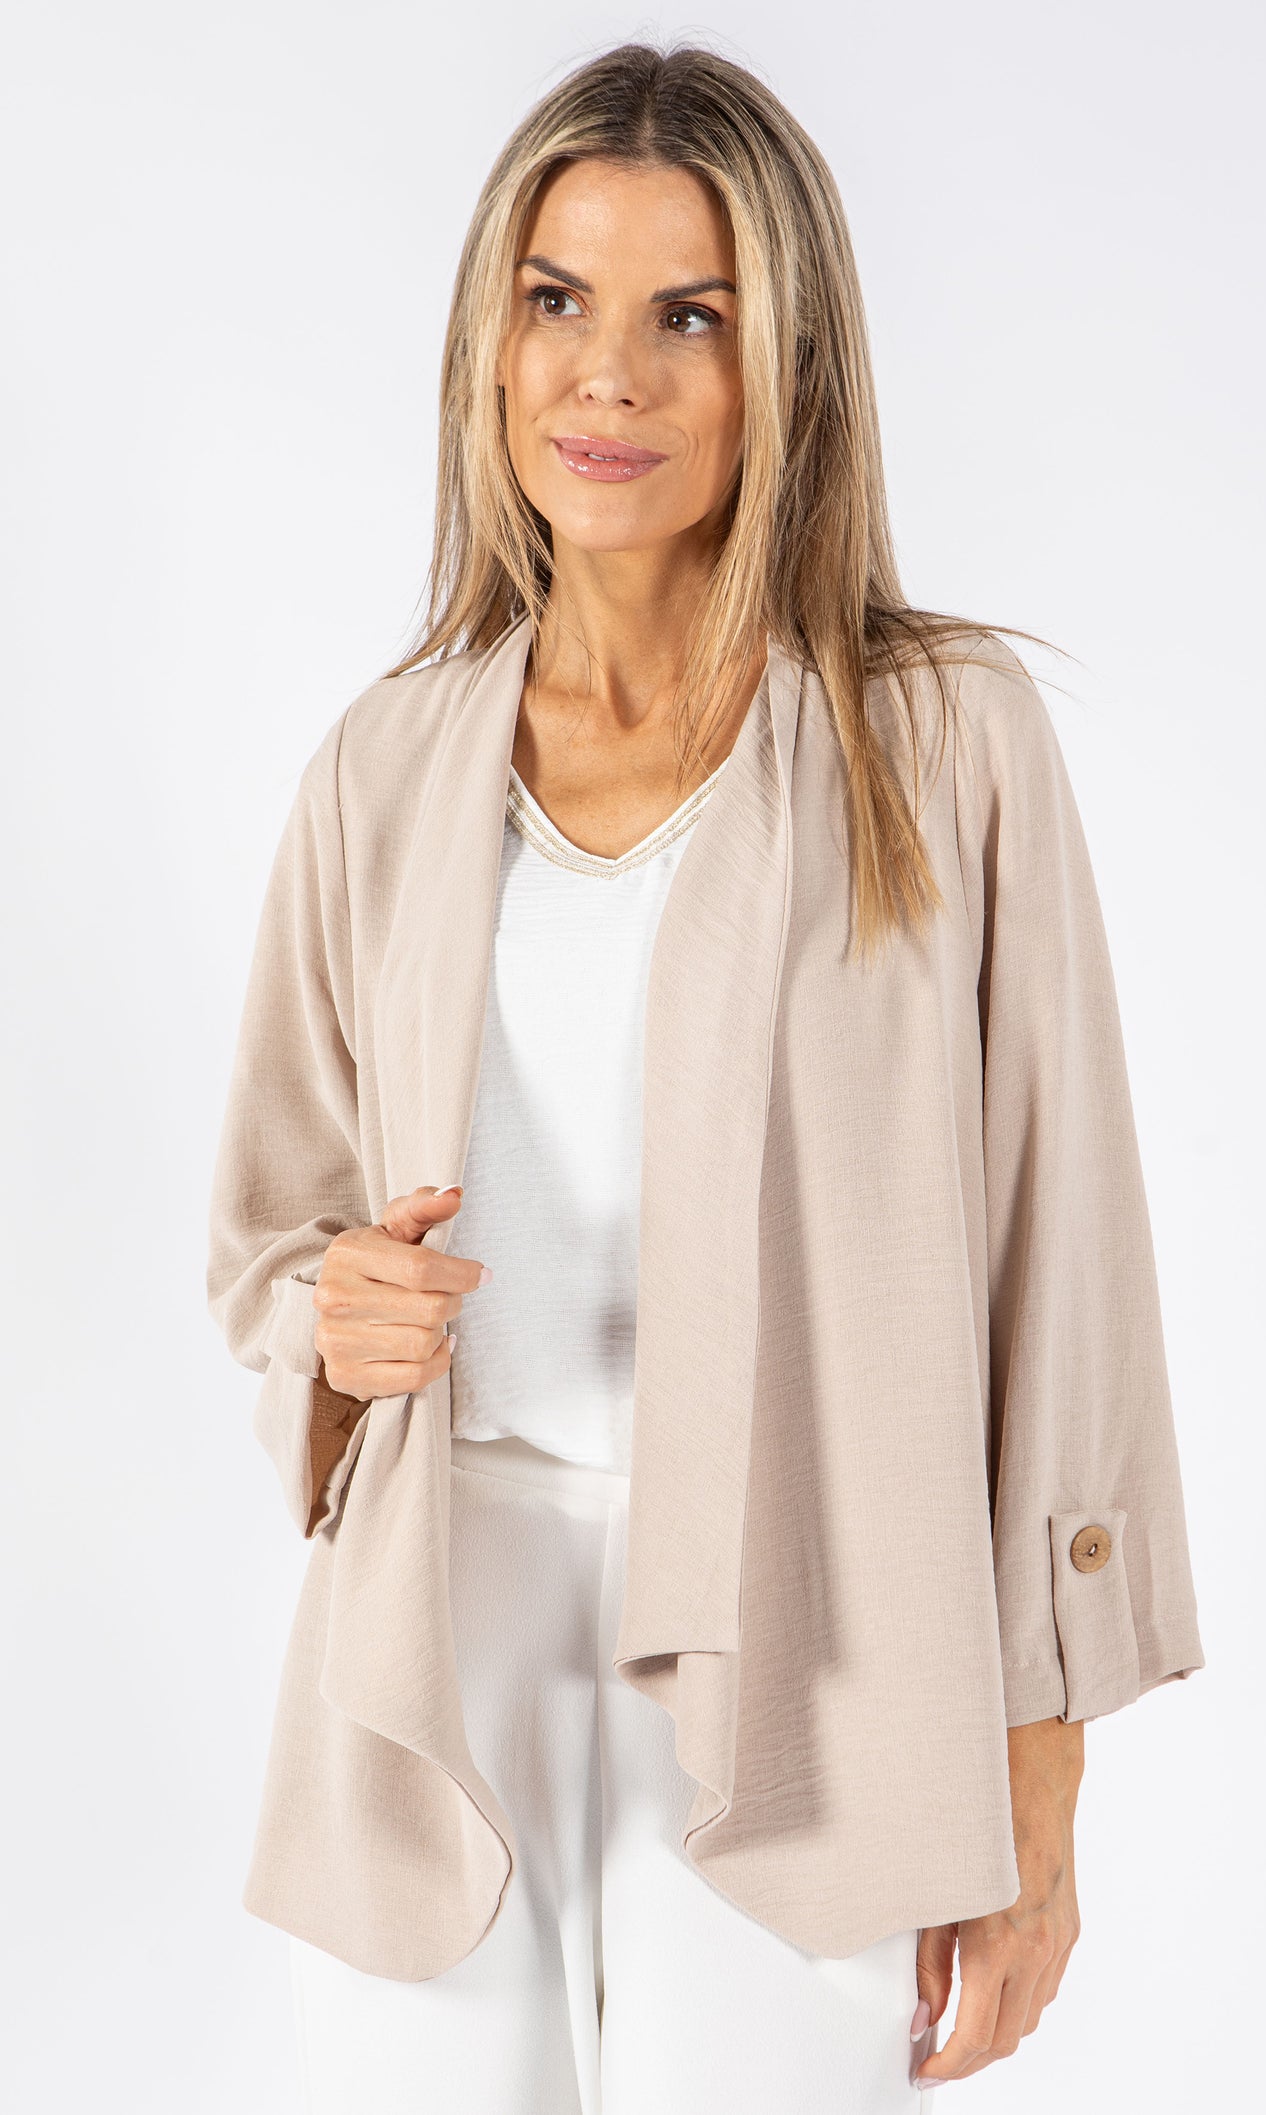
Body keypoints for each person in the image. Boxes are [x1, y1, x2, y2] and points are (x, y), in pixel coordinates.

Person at [206, 38, 1205, 2115]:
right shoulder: (386, 764)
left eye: (693, 316)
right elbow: (272, 1235)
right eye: (557, 300)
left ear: (790, 369)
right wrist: (335, 1313)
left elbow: (1067, 1257)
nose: (610, 378)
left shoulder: (939, 743)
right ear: (489, 342)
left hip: (815, 1656)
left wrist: (1041, 1768)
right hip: (430, 1645)